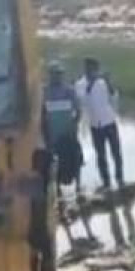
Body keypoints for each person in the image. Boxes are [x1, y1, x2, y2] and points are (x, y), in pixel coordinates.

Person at [75, 57, 124, 189]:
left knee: (116, 152)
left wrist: (109, 83)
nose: (92, 71)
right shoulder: (80, 84)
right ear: (85, 69)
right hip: (95, 125)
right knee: (101, 155)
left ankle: (120, 178)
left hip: (109, 121)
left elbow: (114, 98)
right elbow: (83, 101)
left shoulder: (103, 82)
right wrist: (91, 83)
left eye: (94, 69)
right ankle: (106, 182)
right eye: (89, 69)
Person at [42, 62, 84, 195]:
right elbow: (41, 115)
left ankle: (78, 185)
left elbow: (78, 111)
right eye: (54, 74)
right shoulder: (44, 92)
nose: (57, 77)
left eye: (60, 74)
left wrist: (74, 125)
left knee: (75, 158)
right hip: (52, 134)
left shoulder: (70, 91)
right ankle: (58, 189)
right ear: (50, 75)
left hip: (68, 133)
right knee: (54, 162)